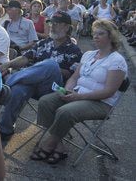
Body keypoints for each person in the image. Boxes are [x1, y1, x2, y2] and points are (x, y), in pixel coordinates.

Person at [30, 20, 127, 164]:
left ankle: (49, 144)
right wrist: (68, 89)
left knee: (65, 111)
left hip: (100, 103)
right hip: (77, 94)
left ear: (111, 37)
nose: (95, 36)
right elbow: (75, 77)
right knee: (46, 101)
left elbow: (109, 92)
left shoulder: (117, 61)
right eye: (94, 34)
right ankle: (59, 145)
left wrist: (79, 96)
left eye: (100, 34)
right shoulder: (89, 54)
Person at [0, 11, 83, 141]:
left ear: (67, 27)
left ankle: (9, 83)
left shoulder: (74, 50)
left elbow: (71, 74)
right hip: (33, 84)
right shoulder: (43, 43)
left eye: (57, 24)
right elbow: (25, 58)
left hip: (55, 89)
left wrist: (45, 68)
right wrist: (6, 65)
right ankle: (5, 129)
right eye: (51, 23)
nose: (52, 26)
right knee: (18, 90)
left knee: (50, 65)